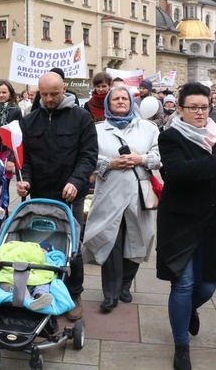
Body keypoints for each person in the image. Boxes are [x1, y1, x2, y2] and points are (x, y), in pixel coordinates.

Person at [156, 81, 216, 370]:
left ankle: (188, 311)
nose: (199, 112)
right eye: (193, 107)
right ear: (180, 109)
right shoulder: (169, 137)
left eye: (204, 107)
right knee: (183, 284)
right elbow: (180, 172)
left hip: (211, 219)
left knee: (207, 286)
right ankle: (181, 345)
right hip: (180, 220)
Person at [16, 71, 98, 321]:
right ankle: (41, 288)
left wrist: (76, 181)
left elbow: (88, 155)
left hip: (70, 195)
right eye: (44, 94)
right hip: (39, 193)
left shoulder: (81, 117)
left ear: (64, 90)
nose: (49, 99)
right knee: (37, 245)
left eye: (54, 93)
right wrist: (24, 180)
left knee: (71, 246)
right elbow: (23, 159)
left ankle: (74, 293)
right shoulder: (30, 121)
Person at [83, 85, 160, 312]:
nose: (120, 101)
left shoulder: (148, 128)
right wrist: (111, 163)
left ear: (131, 102)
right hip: (110, 193)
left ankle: (126, 283)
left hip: (138, 194)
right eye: (115, 98)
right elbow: (89, 157)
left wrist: (140, 159)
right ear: (108, 103)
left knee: (138, 239)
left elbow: (159, 155)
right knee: (110, 241)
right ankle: (111, 293)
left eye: (124, 98)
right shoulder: (96, 130)